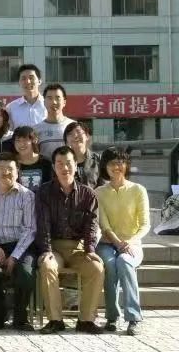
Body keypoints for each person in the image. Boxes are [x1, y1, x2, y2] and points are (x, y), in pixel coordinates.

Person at [36, 146, 104, 335]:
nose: (64, 168)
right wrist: (46, 250)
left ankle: (86, 320)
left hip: (78, 248)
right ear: (53, 167)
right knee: (47, 266)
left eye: (68, 163)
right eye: (59, 163)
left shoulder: (88, 194)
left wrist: (90, 250)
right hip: (54, 247)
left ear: (76, 165)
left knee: (96, 268)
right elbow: (43, 224)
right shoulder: (44, 192)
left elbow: (92, 225)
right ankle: (55, 320)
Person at [96, 147, 150, 336]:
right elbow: (104, 225)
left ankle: (134, 318)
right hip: (107, 243)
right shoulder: (99, 192)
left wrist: (130, 242)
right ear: (105, 166)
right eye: (111, 163)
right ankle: (112, 317)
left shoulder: (138, 190)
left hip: (132, 244)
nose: (116, 167)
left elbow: (145, 224)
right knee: (110, 264)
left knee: (125, 261)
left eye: (120, 162)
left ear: (126, 165)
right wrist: (119, 243)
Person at [0, 153, 36, 330]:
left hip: (21, 246)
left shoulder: (27, 195)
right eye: (1, 168)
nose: (6, 172)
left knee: (26, 273)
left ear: (18, 171)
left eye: (10, 169)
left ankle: (21, 318)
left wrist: (14, 256)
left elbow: (30, 229)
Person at [34, 84, 74, 161]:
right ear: (44, 102)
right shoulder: (36, 130)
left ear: (64, 102)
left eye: (58, 98)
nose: (54, 102)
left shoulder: (73, 126)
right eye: (50, 98)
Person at [6, 64, 46, 130]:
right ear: (19, 83)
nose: (28, 82)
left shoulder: (48, 104)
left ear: (39, 81)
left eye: (31, 78)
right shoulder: (11, 108)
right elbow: (9, 132)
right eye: (23, 78)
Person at [64, 121, 103, 189]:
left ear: (87, 136)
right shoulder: (61, 161)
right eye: (70, 134)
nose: (75, 136)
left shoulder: (99, 159)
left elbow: (104, 186)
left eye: (78, 132)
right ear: (66, 141)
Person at [13, 126, 52, 193]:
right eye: (18, 140)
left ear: (34, 140)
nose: (21, 144)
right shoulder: (11, 162)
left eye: (25, 140)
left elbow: (50, 187)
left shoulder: (46, 162)